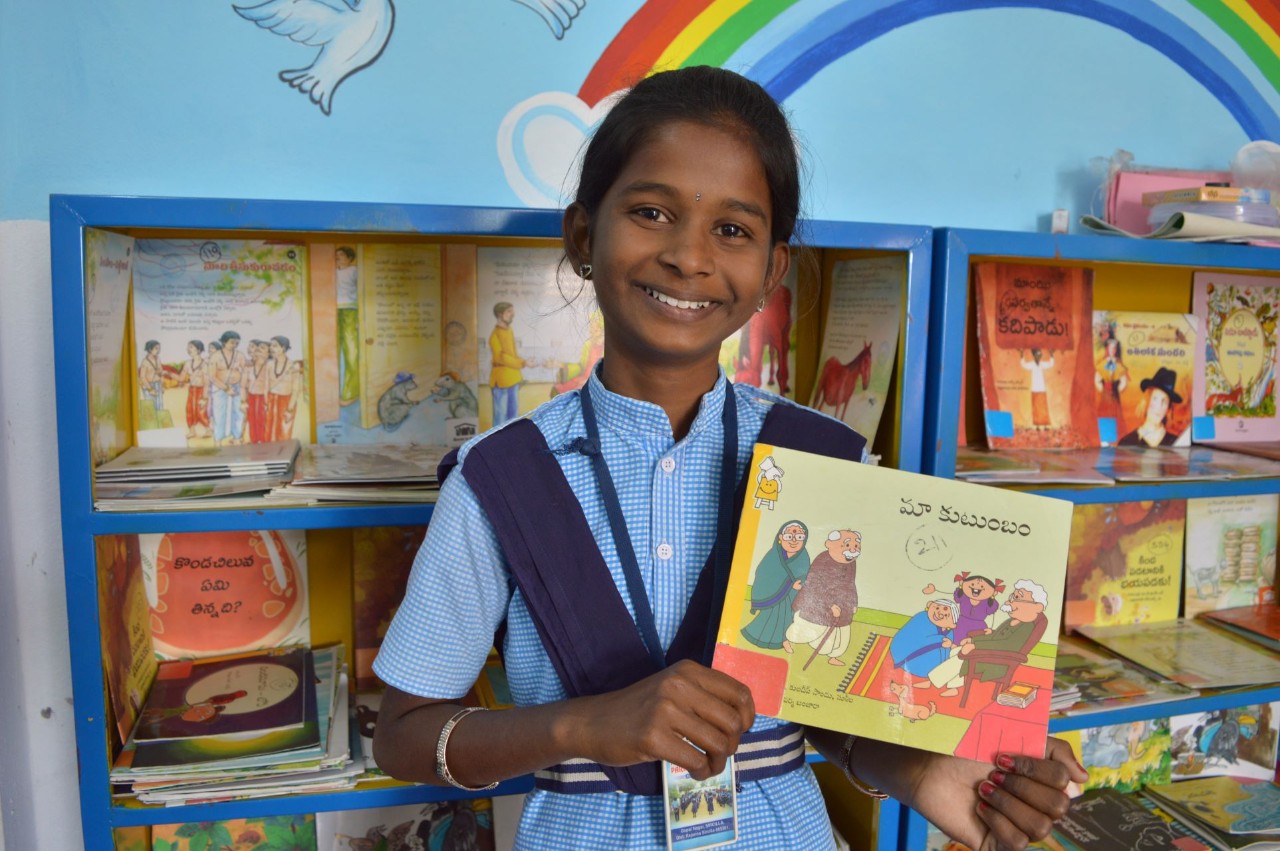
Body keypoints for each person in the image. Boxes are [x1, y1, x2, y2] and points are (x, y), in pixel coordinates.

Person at [372, 66, 1082, 850]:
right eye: (651, 212)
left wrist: (921, 773)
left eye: (734, 230)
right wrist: (583, 722)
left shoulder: (826, 462)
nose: (689, 256)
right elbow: (403, 733)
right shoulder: (501, 478)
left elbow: (831, 709)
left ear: (772, 270)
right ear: (582, 235)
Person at [740, 520, 810, 651]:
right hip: (773, 595)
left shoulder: (803, 557)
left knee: (787, 618)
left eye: (800, 537)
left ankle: (784, 640)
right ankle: (758, 637)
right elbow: (763, 573)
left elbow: (805, 575)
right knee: (767, 619)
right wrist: (787, 584)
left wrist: (798, 586)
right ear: (780, 537)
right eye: (789, 536)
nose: (794, 540)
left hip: (793, 596)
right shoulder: (773, 555)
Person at [1118, 366, 1182, 447]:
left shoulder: (1177, 443)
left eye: (1164, 402)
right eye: (1155, 399)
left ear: (1168, 410)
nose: (1159, 406)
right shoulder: (1127, 442)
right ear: (1146, 401)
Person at [487, 301, 529, 426]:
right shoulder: (494, 335)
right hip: (501, 381)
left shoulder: (509, 331)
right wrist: (523, 363)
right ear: (500, 314)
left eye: (512, 311)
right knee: (500, 417)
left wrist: (524, 362)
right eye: (509, 311)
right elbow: (502, 358)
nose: (513, 314)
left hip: (513, 379)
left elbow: (512, 354)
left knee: (513, 416)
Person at [335, 246, 360, 407]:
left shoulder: (355, 270)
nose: (338, 258)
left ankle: (351, 392)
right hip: (334, 310)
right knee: (333, 351)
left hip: (351, 310)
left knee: (351, 351)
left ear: (350, 258)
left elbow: (364, 290)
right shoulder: (332, 271)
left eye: (342, 255)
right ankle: (333, 392)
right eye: (336, 256)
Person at [177, 340, 210, 439]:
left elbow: (207, 382)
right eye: (188, 347)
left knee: (201, 411)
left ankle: (208, 430)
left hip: (201, 390)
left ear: (198, 349)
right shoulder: (187, 363)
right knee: (189, 410)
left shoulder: (205, 364)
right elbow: (181, 378)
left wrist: (204, 398)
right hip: (192, 390)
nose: (188, 349)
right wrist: (168, 374)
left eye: (191, 347)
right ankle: (192, 431)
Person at [1094, 334, 1127, 424]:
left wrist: (1116, 388)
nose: (1112, 350)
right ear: (1107, 349)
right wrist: (1103, 389)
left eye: (1114, 348)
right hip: (1105, 393)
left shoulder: (1119, 364)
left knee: (1115, 414)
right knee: (1104, 413)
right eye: (1110, 348)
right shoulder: (1102, 363)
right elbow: (1097, 379)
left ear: (1116, 350)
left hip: (1115, 394)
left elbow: (1123, 381)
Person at [1020, 348, 1054, 429]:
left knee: (1043, 407)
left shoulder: (1042, 364)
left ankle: (1045, 425)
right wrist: (1021, 355)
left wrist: (1052, 355)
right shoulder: (1031, 364)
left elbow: (1050, 364)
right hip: (1035, 388)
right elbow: (1024, 365)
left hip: (1042, 388)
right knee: (1036, 408)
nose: (1038, 356)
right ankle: (1037, 426)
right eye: (1037, 355)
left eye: (1039, 355)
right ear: (1034, 356)